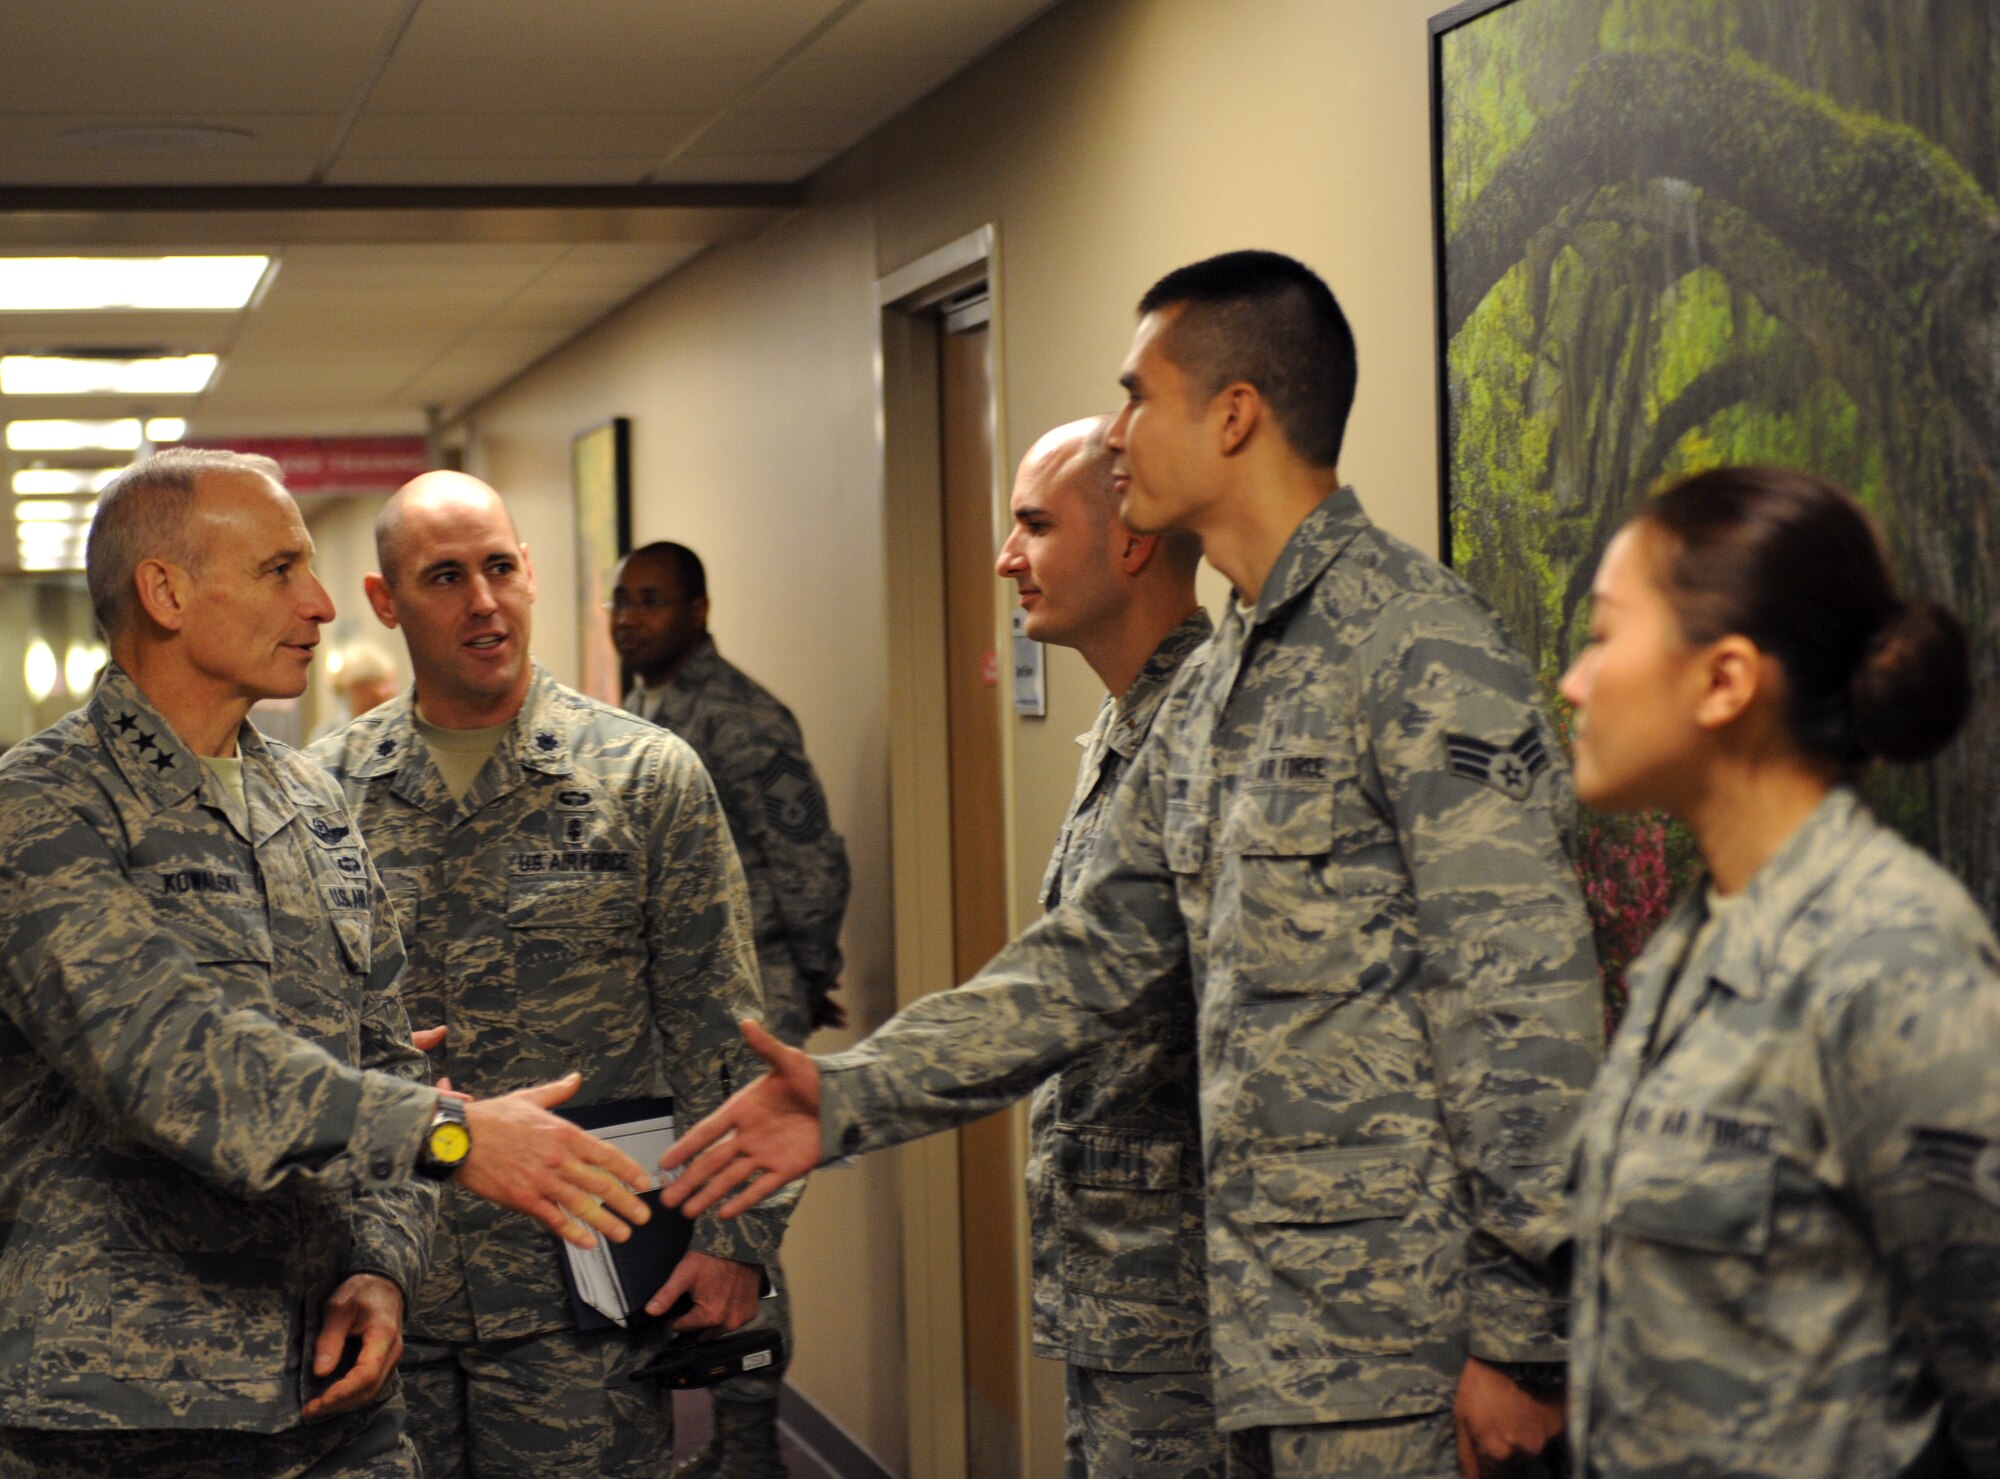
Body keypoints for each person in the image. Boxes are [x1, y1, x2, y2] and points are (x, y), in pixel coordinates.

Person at [662, 251, 1605, 1479]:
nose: (1115, 432)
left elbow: (1524, 1012)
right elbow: (1081, 964)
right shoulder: (1216, 687)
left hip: (1400, 1350)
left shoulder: (1420, 652)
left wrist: (1526, 1341)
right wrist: (849, 1094)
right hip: (1251, 1336)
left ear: (1232, 415)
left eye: (1135, 395)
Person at [0, 449, 654, 1479]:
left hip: (334, 1394)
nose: (317, 603)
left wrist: (383, 1266)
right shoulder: (44, 809)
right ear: (166, 592)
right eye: (278, 571)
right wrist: (450, 1138)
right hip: (122, 1412)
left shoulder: (310, 805)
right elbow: (171, 1059)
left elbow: (386, 1054)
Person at [308, 472, 792, 1479]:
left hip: (588, 1287)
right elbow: (295, 1040)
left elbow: (722, 1026)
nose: (482, 602)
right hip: (392, 1282)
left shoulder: (645, 777)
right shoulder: (323, 795)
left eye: (498, 569)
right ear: (385, 602)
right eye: (444, 578)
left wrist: (736, 1235)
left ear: (529, 574)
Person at [1555, 466, 1998, 1478]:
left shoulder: (1893, 961)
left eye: (1600, 636)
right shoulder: (1693, 940)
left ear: (1723, 681)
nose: (1572, 683)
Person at [997, 414, 1221, 1477]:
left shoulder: (1206, 736)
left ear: (1129, 540)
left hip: (1189, 1305)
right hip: (1118, 1293)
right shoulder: (1132, 723)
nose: (1006, 559)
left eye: (1032, 526)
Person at [611, 538, 849, 1478]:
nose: (631, 617)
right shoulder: (644, 711)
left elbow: (810, 863)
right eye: (620, 601)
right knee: (706, 1220)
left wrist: (802, 974)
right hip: (686, 1017)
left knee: (742, 1226)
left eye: (653, 599)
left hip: (753, 1017)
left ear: (699, 610)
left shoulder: (744, 717)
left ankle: (750, 1449)